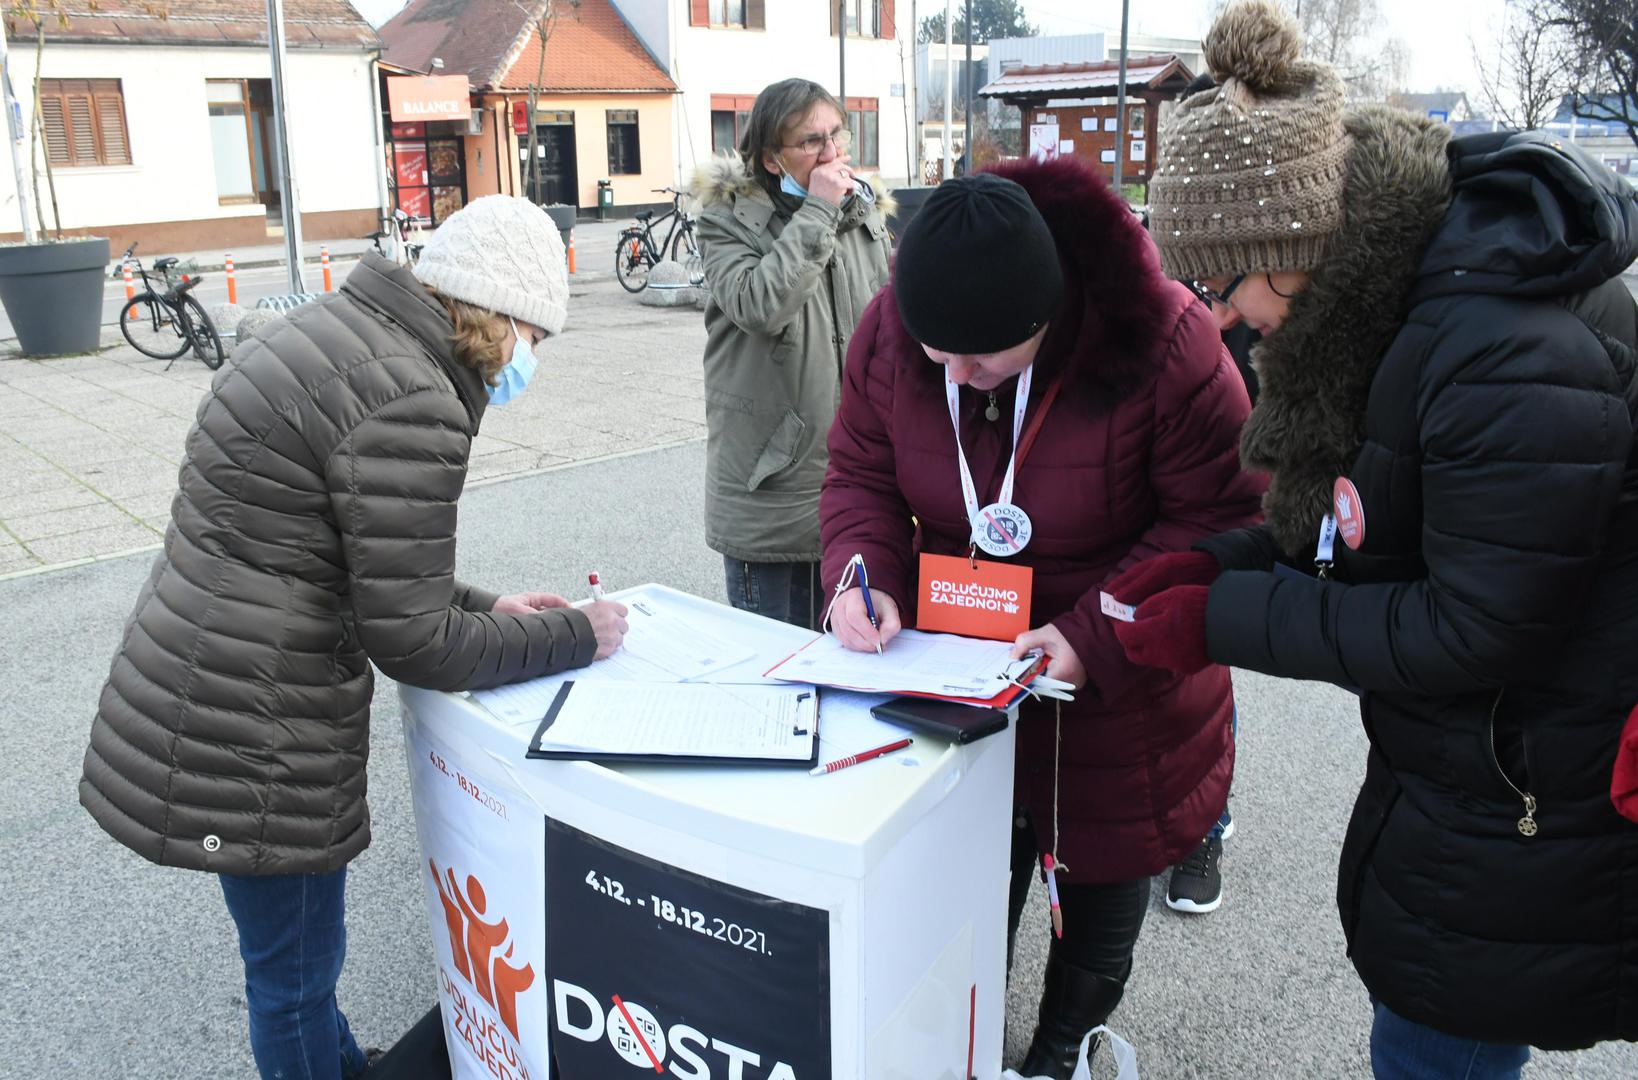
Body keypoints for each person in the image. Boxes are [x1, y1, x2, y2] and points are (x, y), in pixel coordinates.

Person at [1114, 2, 1638, 1076]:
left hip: (1539, 773)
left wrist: (1225, 617)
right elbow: (1371, 525)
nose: (1214, 317)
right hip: (1478, 769)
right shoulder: (1387, 308)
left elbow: (1472, 626)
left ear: (1298, 248)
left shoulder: (1501, 351)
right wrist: (1222, 563)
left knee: (1439, 1033)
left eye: (1226, 281)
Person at [78, 195, 630, 1080]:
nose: (533, 361)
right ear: (503, 314)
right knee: (292, 982)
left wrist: (490, 607)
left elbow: (335, 548)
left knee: (293, 967)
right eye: (540, 337)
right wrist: (576, 634)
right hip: (261, 726)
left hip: (206, 676)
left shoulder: (334, 332)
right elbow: (414, 640)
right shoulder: (414, 394)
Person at [820, 160, 1265, 1078]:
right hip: (959, 675)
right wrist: (860, 578)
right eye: (937, 352)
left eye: (982, 356)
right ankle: (960, 1038)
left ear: (1047, 314)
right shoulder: (900, 328)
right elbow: (860, 472)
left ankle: (1061, 1046)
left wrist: (1097, 635)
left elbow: (1223, 517)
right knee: (963, 881)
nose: (955, 371)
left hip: (1113, 685)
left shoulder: (1165, 341)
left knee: (1100, 885)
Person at [693, 77, 892, 629]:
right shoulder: (727, 222)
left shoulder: (864, 214)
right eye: (810, 142)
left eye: (837, 135)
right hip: (774, 497)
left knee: (857, 678)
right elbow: (759, 305)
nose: (831, 154)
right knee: (781, 684)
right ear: (772, 160)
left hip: (860, 493)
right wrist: (820, 212)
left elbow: (889, 325)